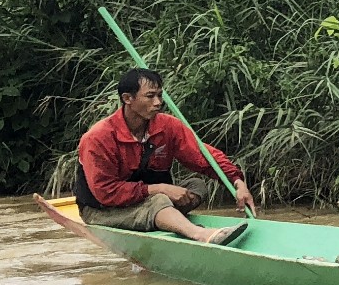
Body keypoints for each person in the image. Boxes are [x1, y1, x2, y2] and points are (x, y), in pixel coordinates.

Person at [73, 67, 258, 245]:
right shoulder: (98, 137)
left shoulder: (167, 126)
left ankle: (162, 217)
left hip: (145, 200)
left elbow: (202, 155)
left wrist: (237, 181)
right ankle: (200, 234)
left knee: (197, 186)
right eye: (150, 96)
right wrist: (160, 189)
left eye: (159, 95)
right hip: (102, 209)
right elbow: (107, 193)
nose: (158, 102)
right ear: (127, 98)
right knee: (159, 199)